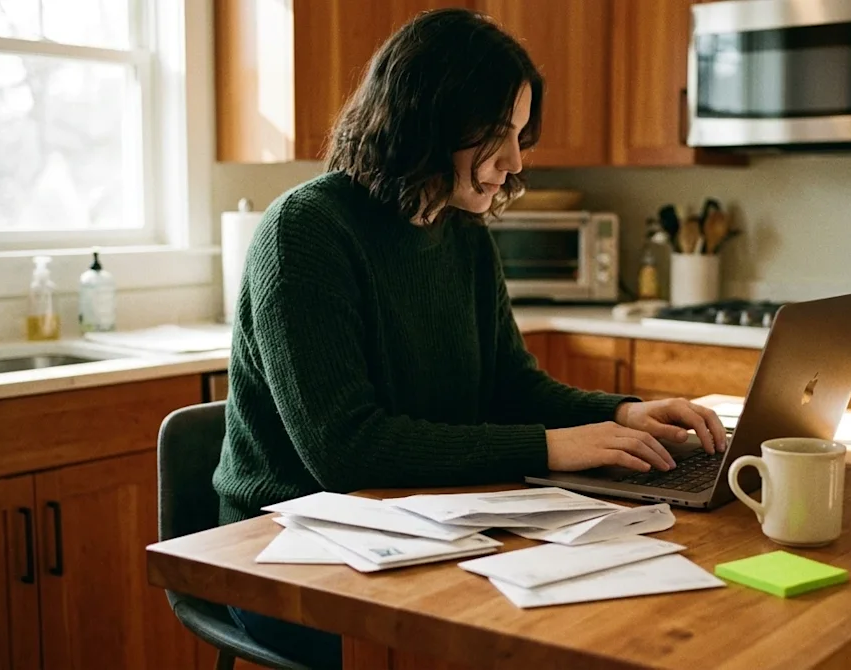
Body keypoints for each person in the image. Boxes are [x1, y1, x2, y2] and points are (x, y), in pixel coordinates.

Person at [211, 8, 726, 668]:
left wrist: (621, 413)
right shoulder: (305, 232)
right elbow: (346, 450)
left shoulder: (464, 236)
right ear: (427, 121)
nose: (514, 163)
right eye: (496, 134)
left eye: (519, 135)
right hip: (287, 552)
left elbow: (510, 387)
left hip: (424, 526)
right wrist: (552, 445)